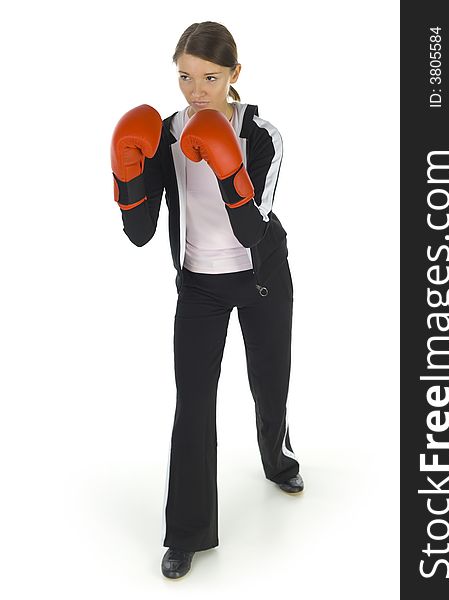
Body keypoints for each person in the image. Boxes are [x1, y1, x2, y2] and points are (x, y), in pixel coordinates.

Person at [110, 21, 304, 580]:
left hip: (261, 275)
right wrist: (128, 172)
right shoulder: (166, 134)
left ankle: (277, 458)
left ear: (233, 76)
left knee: (270, 381)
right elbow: (141, 232)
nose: (196, 91)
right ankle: (188, 532)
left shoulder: (263, 135)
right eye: (185, 77)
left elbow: (252, 231)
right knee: (192, 403)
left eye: (209, 78)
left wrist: (226, 164)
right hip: (198, 285)